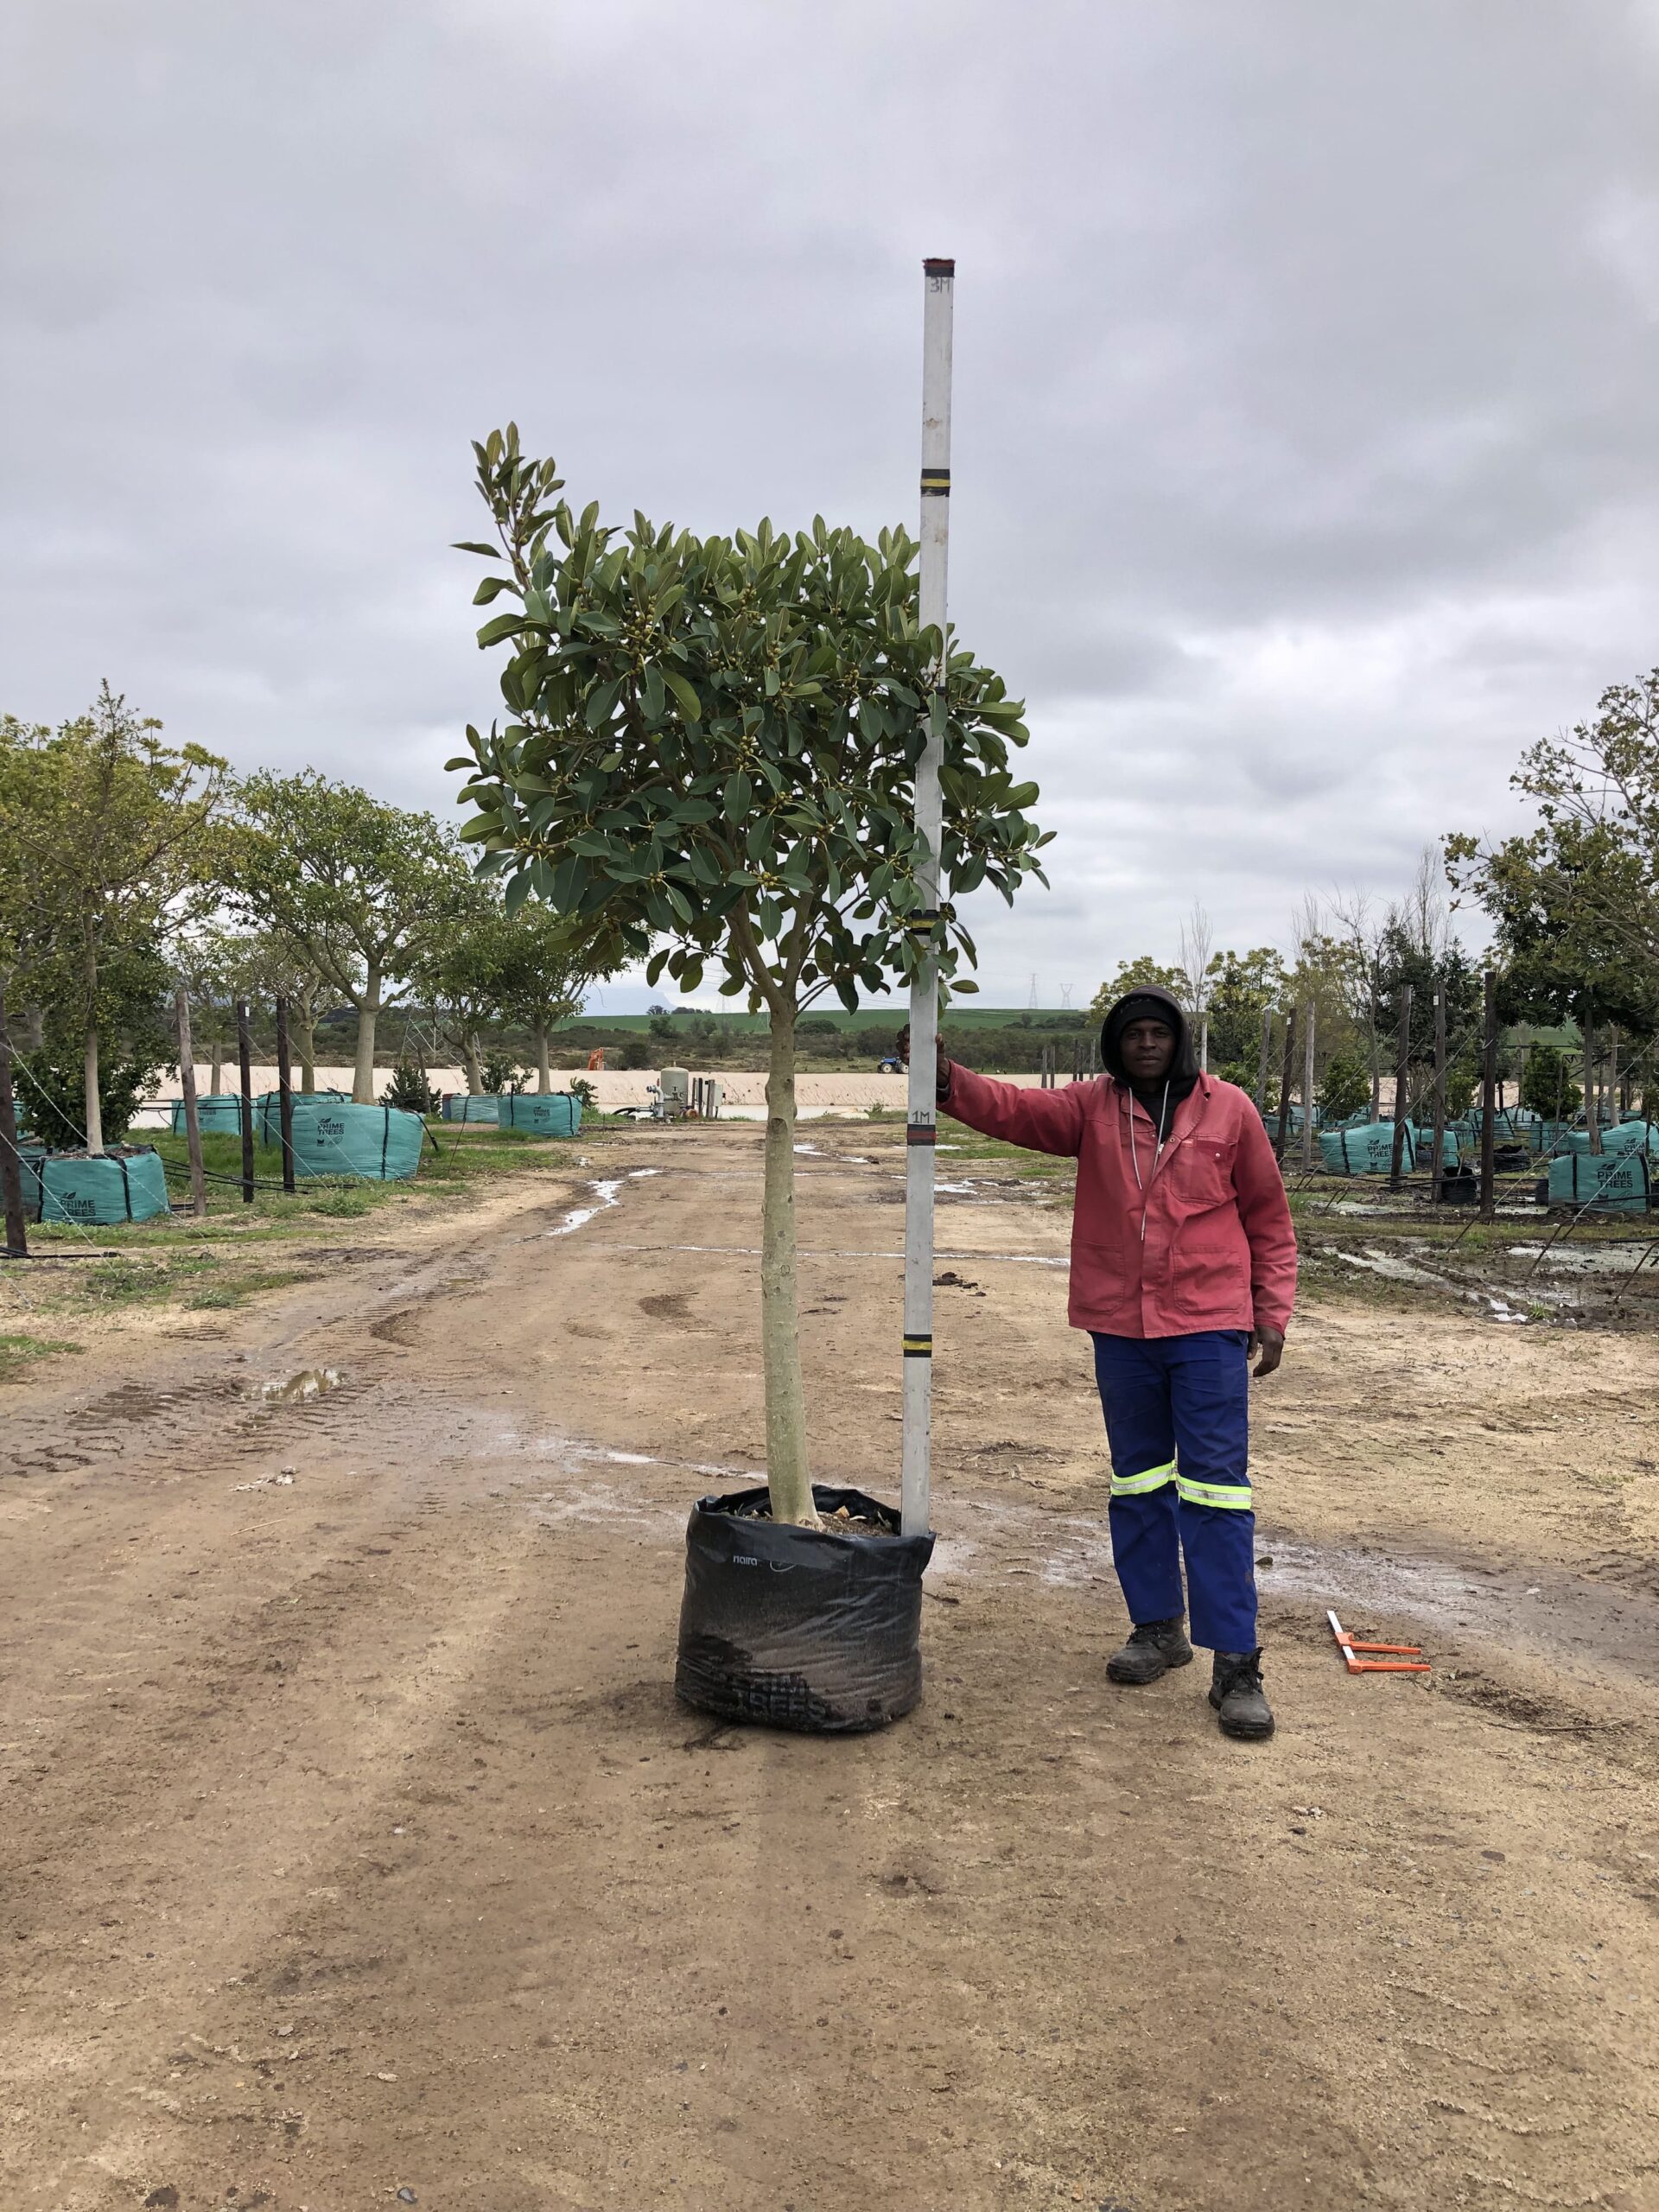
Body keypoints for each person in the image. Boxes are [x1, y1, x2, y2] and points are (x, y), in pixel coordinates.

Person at [907, 988, 1297, 1739]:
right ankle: (1157, 1628)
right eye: (1132, 1034)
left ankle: (1237, 1666)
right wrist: (943, 1074)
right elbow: (1014, 1110)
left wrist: (1270, 1314)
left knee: (1217, 1493)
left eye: (1158, 1033)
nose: (1146, 1044)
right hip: (1121, 1328)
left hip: (1209, 1326)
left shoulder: (1232, 1111)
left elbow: (1269, 1220)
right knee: (1138, 1480)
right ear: (1114, 1046)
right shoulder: (1093, 1109)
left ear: (1179, 1041)